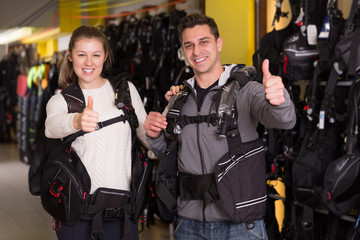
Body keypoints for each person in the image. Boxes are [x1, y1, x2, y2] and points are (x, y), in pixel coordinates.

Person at [144, 13, 296, 240]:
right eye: (189, 45)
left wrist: (280, 99)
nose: (197, 51)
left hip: (241, 226)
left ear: (219, 43)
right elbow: (167, 153)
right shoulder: (178, 99)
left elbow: (285, 120)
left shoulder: (247, 91)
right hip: (189, 225)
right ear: (183, 52)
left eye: (204, 42)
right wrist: (154, 134)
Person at [45, 25, 149, 240]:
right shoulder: (62, 100)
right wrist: (77, 120)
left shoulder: (125, 91)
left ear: (105, 56)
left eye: (96, 55)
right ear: (70, 56)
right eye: (81, 54)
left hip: (123, 216)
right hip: (77, 217)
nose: (89, 62)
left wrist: (166, 114)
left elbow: (147, 138)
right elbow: (51, 127)